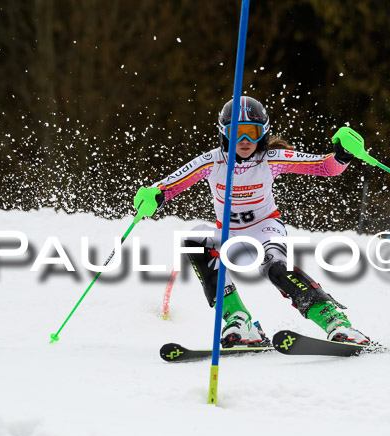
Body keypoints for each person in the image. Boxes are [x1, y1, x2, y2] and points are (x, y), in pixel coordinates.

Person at [135, 96, 369, 347]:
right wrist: (153, 195)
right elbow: (169, 186)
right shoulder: (212, 161)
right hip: (229, 236)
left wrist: (342, 156)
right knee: (193, 239)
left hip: (265, 229)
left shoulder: (271, 158)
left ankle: (336, 322)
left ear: (263, 133)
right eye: (236, 133)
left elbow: (324, 167)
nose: (244, 140)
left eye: (252, 133)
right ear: (224, 134)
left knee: (275, 266)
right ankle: (238, 320)